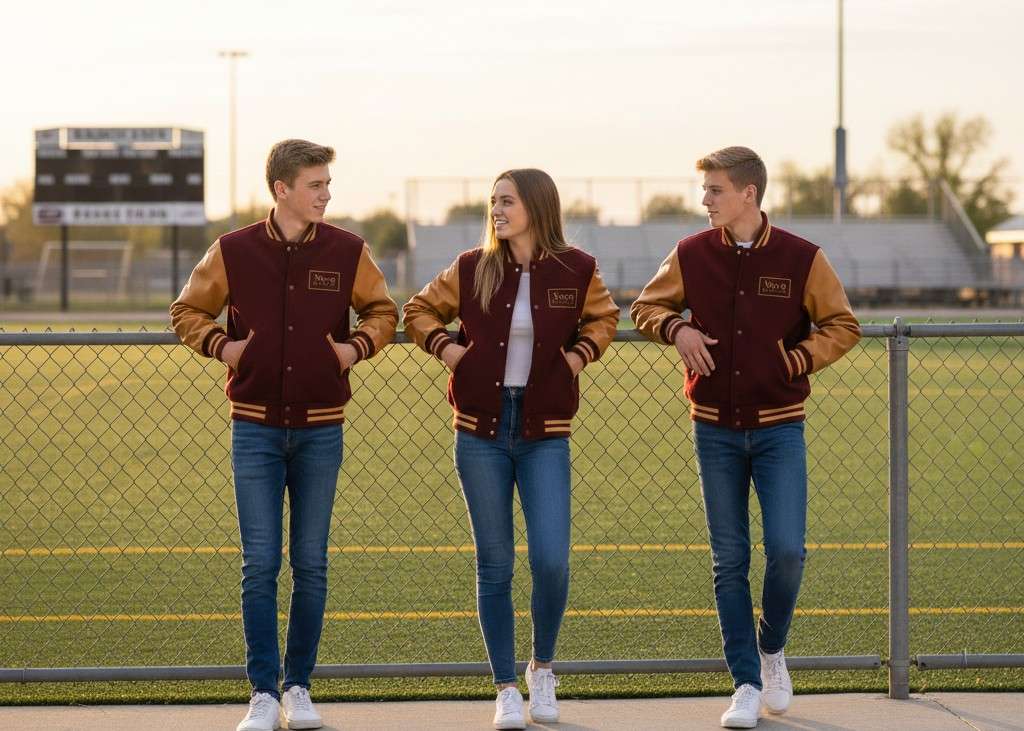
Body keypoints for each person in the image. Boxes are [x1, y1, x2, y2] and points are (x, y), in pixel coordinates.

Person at [170, 139, 398, 731]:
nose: (327, 194)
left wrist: (353, 348)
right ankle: (263, 693)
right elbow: (187, 311)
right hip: (254, 430)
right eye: (316, 185)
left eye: (327, 184)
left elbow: (383, 312)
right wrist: (226, 347)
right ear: (282, 190)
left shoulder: (349, 251)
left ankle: (299, 687)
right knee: (260, 564)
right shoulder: (234, 251)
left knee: (312, 563)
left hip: (322, 431)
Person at [631, 147, 860, 729]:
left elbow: (843, 324)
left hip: (781, 427)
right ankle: (745, 684)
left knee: (787, 551)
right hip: (714, 429)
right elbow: (644, 307)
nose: (704, 200)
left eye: (714, 190)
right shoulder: (689, 254)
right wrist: (676, 327)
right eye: (705, 190)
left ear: (748, 195)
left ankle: (771, 646)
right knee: (728, 559)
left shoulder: (802, 258)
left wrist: (795, 361)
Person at [403, 168, 619, 730]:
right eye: (493, 201)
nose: (496, 210)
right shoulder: (473, 267)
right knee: (494, 563)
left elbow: (605, 318)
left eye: (507, 201)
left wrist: (575, 360)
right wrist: (451, 354)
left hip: (544, 430)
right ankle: (504, 687)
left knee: (551, 559)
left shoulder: (578, 268)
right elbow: (418, 311)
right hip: (479, 431)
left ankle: (541, 667)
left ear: (537, 207)